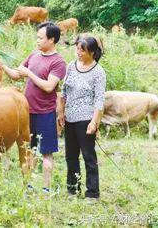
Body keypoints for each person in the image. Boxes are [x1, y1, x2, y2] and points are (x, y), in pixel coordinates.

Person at [0, 22, 66, 193]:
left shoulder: (58, 62)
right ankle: (28, 185)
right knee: (29, 150)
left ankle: (46, 188)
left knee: (46, 153)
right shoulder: (34, 55)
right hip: (26, 112)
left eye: (41, 38)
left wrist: (29, 74)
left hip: (45, 113)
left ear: (52, 39)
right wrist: (3, 66)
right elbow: (17, 75)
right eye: (37, 37)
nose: (37, 41)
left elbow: (49, 86)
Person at [58, 34, 106, 201]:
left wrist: (95, 121)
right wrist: (61, 112)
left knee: (88, 156)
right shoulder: (71, 66)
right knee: (70, 156)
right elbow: (64, 91)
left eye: (82, 49)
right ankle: (73, 189)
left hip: (86, 119)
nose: (78, 52)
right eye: (77, 48)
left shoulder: (98, 72)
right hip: (70, 118)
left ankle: (92, 193)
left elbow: (99, 99)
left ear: (92, 52)